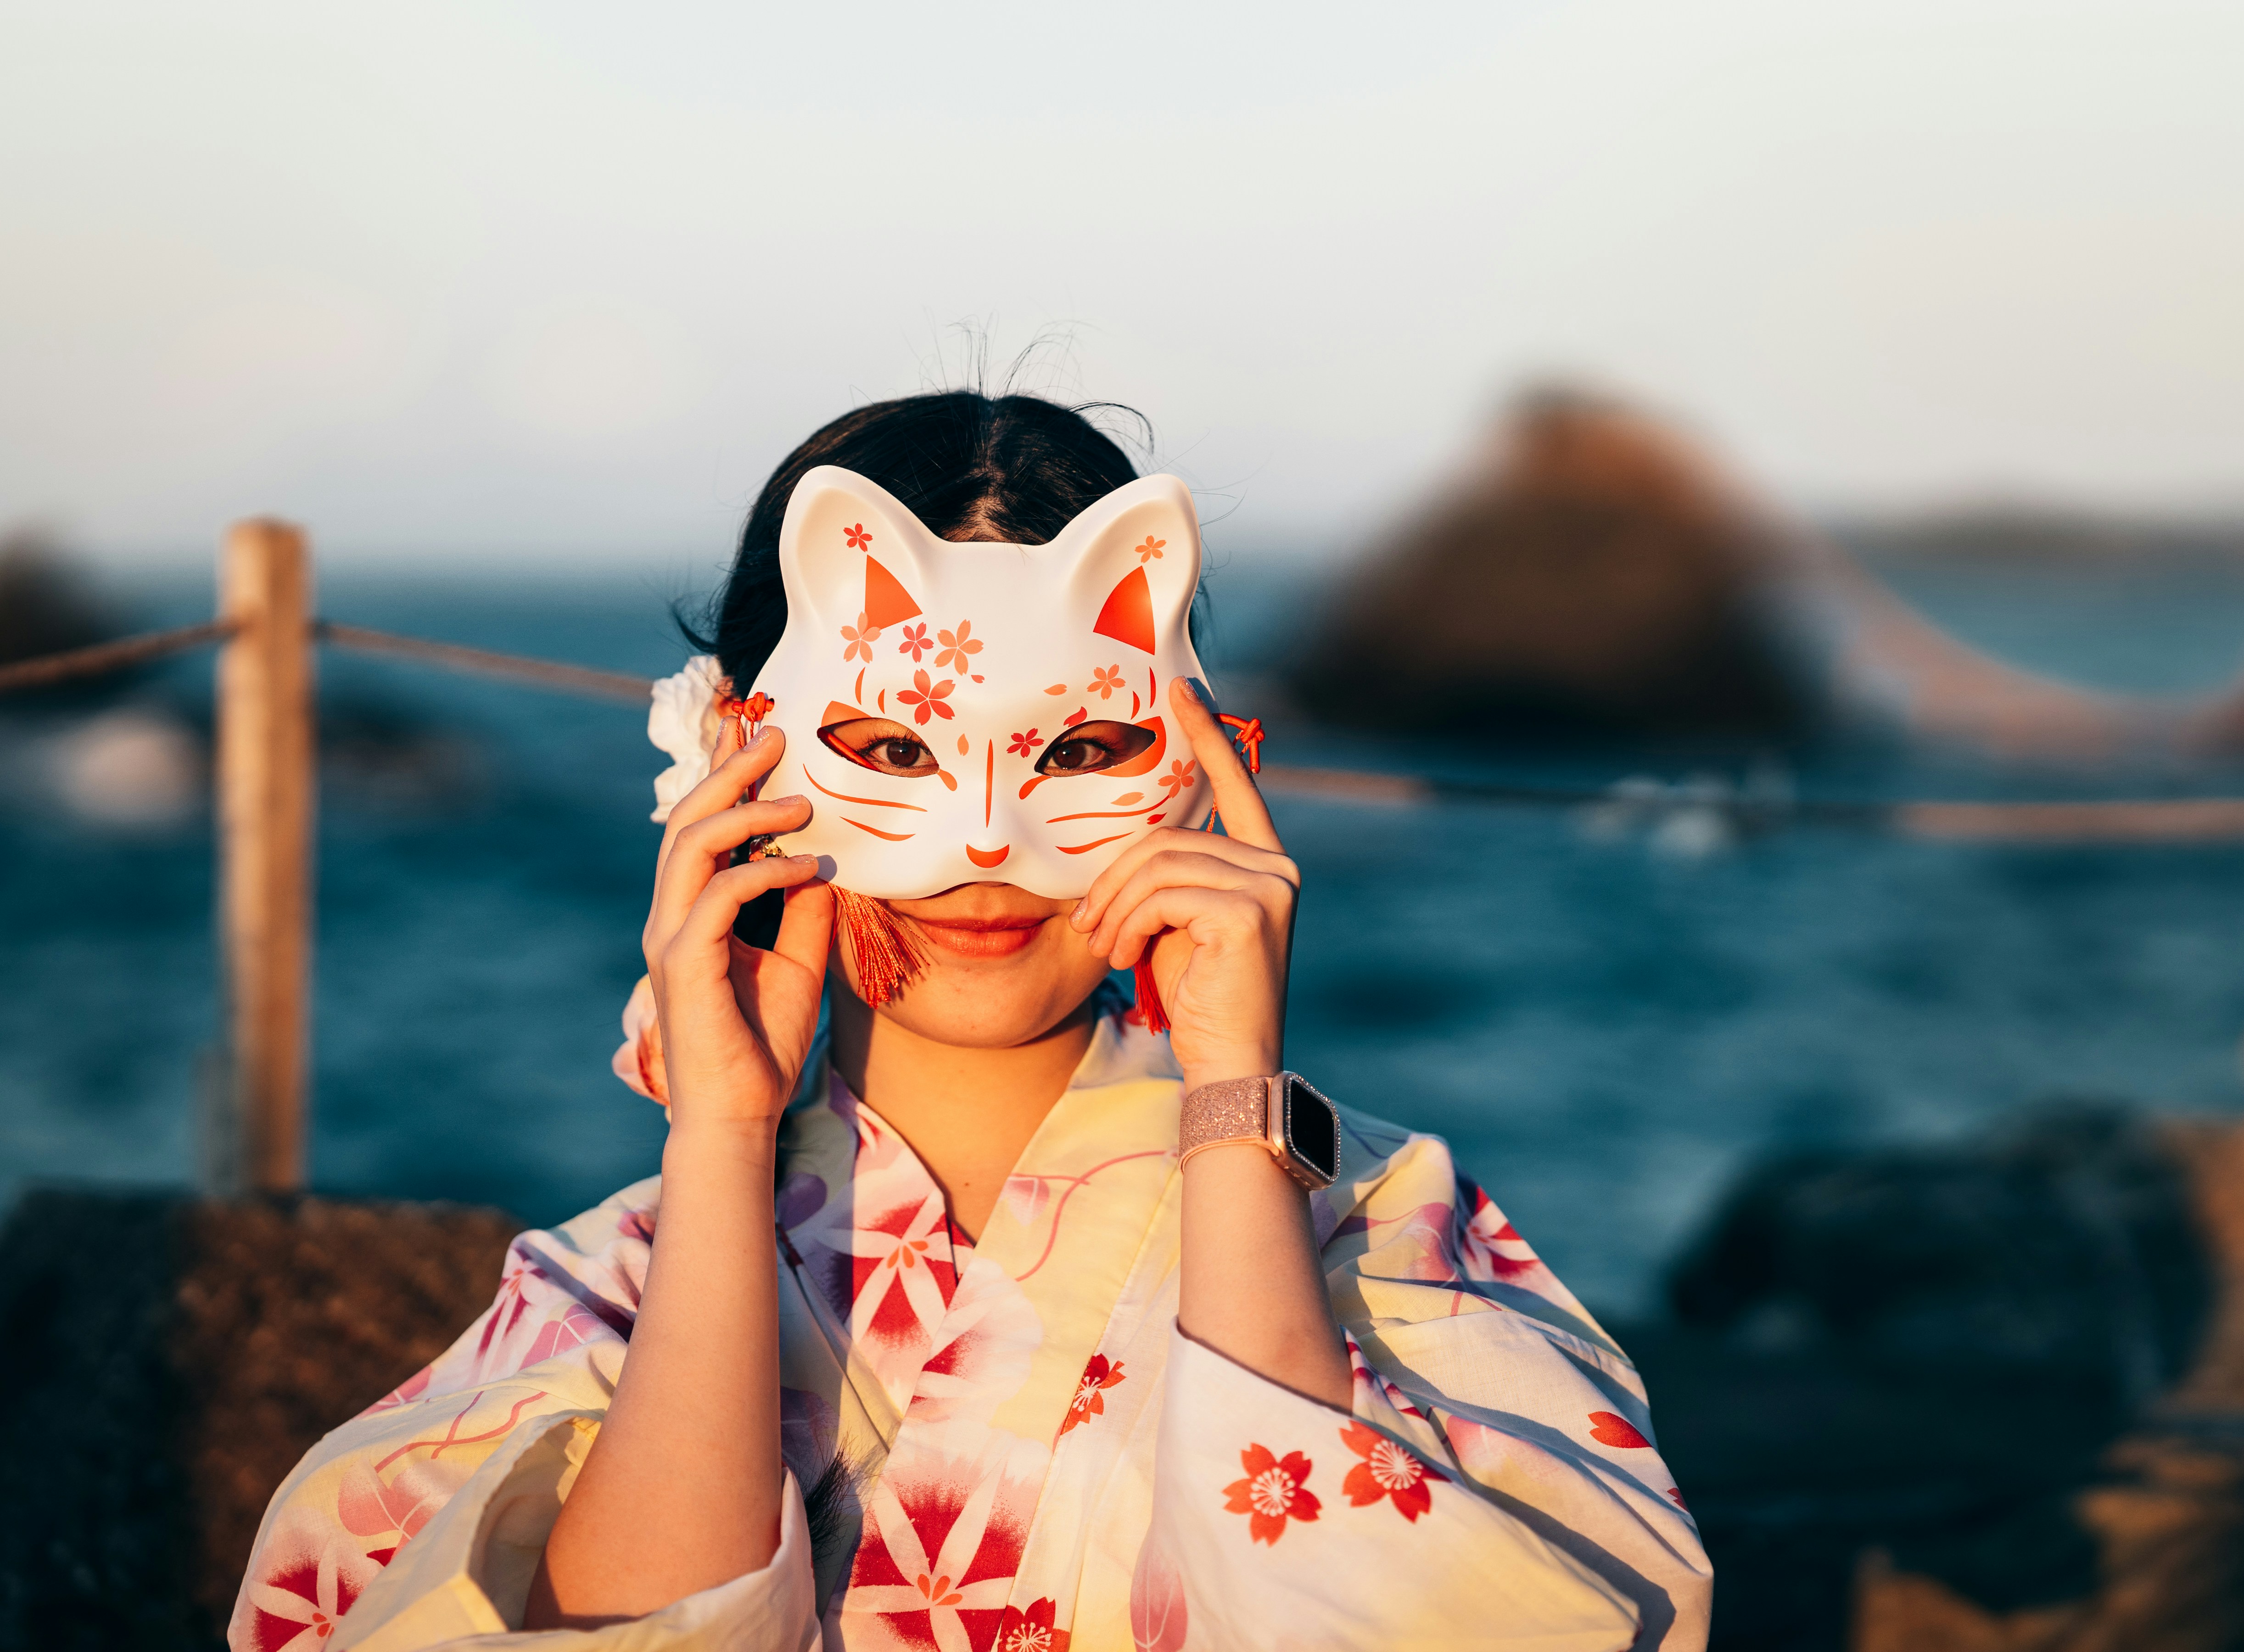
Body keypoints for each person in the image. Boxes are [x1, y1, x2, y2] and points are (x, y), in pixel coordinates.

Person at [230, 392, 1712, 1651]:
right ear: (732, 766)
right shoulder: (615, 1285)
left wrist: (1235, 1102)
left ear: (1201, 758)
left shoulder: (1383, 1227)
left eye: (1080, 747)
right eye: (888, 750)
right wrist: (725, 1136)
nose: (989, 840)